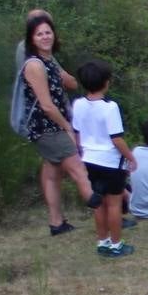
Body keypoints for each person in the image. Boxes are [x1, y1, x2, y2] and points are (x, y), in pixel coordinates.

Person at [19, 14, 100, 235]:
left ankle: (57, 223)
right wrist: (67, 127)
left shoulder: (48, 61)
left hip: (52, 127)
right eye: (39, 34)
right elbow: (46, 106)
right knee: (79, 169)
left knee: (52, 174)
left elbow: (72, 83)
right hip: (49, 128)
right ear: (31, 39)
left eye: (48, 32)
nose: (45, 37)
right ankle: (108, 214)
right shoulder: (35, 65)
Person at [70, 59, 136, 257]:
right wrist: (131, 157)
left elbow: (77, 133)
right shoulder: (110, 107)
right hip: (110, 162)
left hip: (89, 159)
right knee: (114, 204)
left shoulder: (79, 104)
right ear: (107, 82)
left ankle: (102, 242)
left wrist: (82, 152)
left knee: (98, 204)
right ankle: (116, 245)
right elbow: (116, 139)